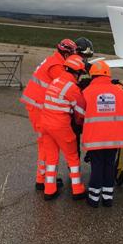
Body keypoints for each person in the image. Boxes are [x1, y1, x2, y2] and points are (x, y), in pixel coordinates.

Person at [20, 39, 77, 190]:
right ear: (66, 54)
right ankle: (44, 179)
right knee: (47, 144)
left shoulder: (53, 59)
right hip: (38, 106)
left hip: (36, 105)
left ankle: (42, 178)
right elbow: (67, 86)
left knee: (45, 143)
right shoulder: (57, 66)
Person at [81, 61, 123, 208]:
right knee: (110, 165)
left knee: (97, 166)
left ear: (92, 75)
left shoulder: (87, 92)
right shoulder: (120, 91)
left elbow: (79, 113)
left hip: (95, 138)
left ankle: (93, 199)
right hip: (115, 138)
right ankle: (108, 198)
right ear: (108, 75)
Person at [39, 55, 88, 200]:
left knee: (51, 158)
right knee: (72, 157)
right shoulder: (71, 87)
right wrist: (81, 123)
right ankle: (77, 189)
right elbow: (80, 112)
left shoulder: (56, 81)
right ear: (76, 72)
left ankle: (49, 190)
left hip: (45, 125)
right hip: (60, 126)